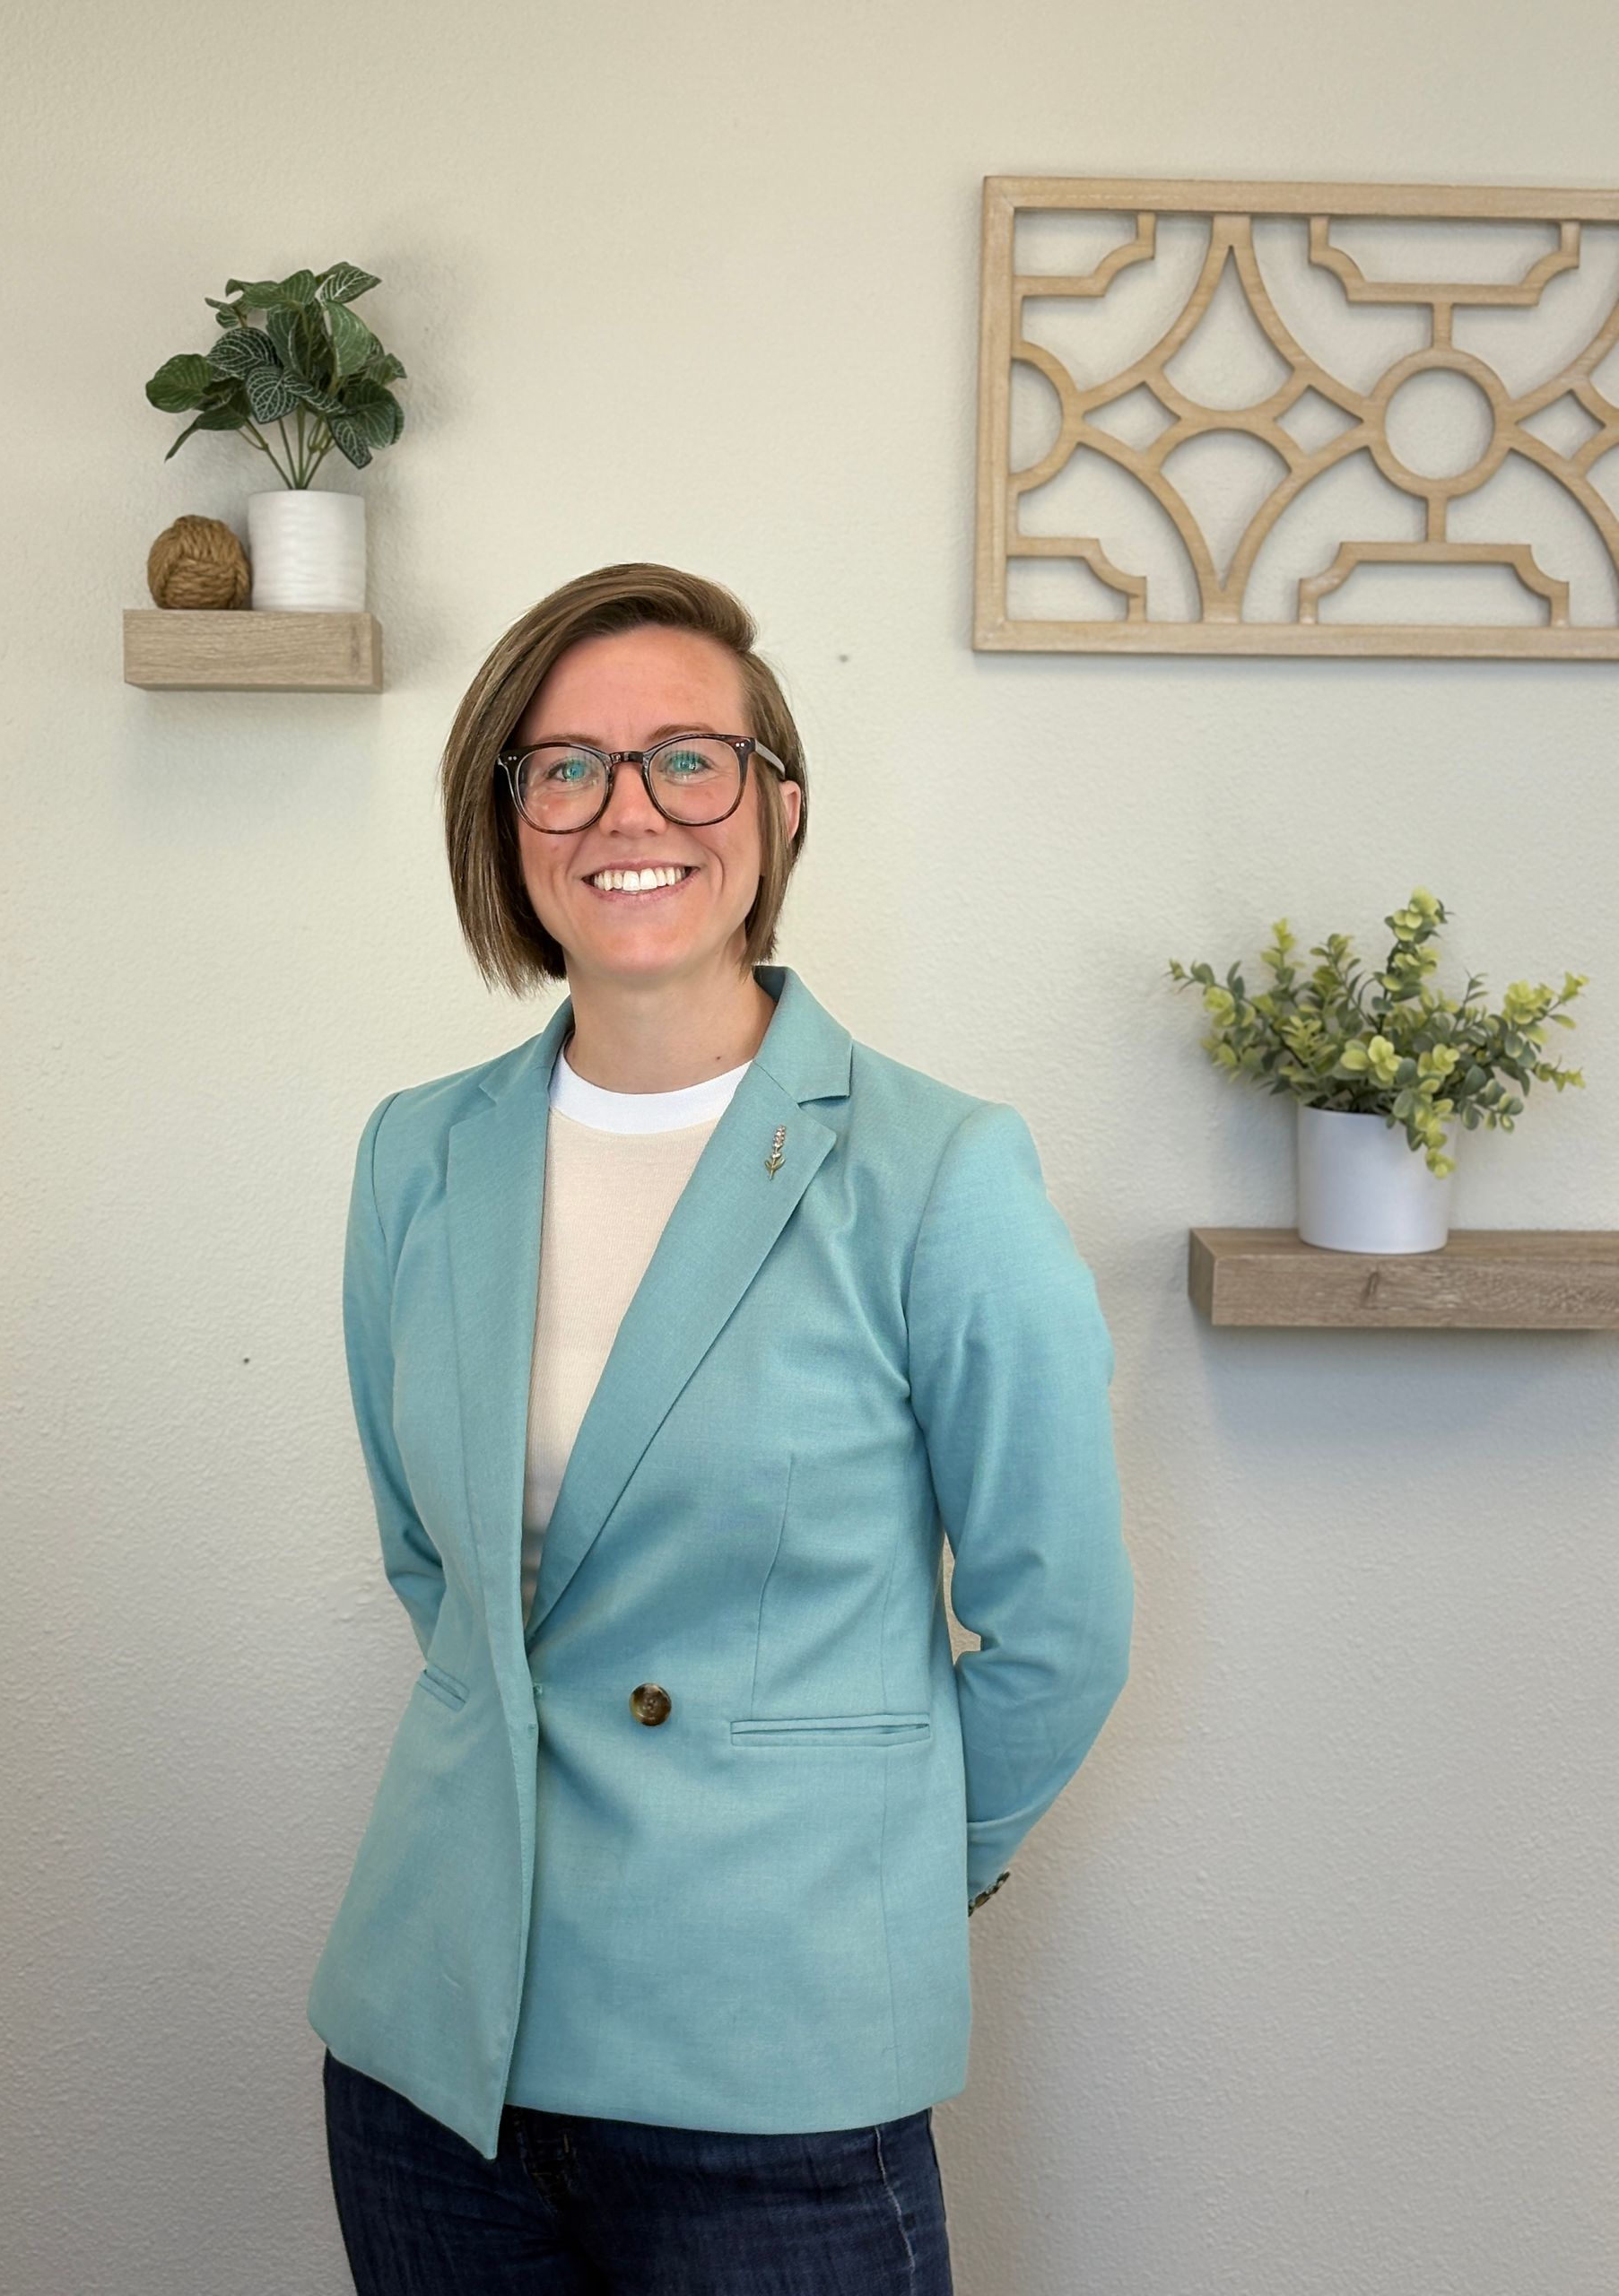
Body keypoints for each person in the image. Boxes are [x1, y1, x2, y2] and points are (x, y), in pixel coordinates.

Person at [308, 562, 1134, 2293]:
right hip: (435, 2048)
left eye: (691, 757)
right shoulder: (418, 1154)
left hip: (776, 2060)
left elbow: (1060, 1627)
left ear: (776, 806)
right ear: (511, 817)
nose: (631, 809)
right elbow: (434, 1567)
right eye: (568, 766)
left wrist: (887, 1871)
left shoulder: (938, 1172)